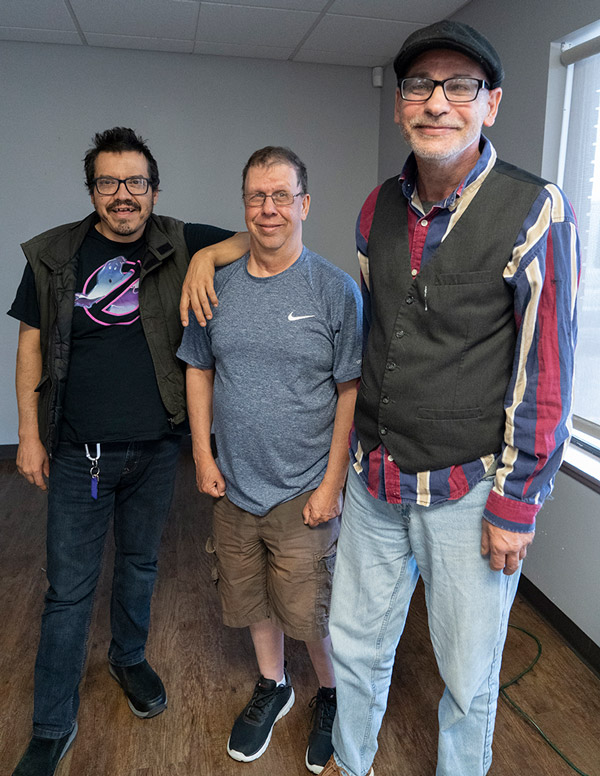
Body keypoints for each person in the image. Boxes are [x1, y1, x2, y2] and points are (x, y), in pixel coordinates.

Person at [319, 21, 580, 776]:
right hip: (376, 483)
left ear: (490, 104)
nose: (437, 102)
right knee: (355, 648)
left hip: (471, 494)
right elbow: (381, 339)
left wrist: (517, 503)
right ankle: (352, 763)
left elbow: (548, 373)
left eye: (459, 86)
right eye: (419, 87)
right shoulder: (376, 212)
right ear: (401, 105)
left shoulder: (535, 210)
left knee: (468, 680)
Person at [8, 126, 249, 776]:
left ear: (153, 188)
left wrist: (203, 258)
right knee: (68, 592)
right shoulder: (57, 253)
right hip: (76, 455)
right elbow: (31, 343)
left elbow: (261, 236)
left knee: (141, 566)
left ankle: (128, 658)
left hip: (153, 452)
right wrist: (27, 434)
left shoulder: (177, 238)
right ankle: (52, 724)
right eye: (109, 182)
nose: (124, 195)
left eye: (135, 182)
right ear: (93, 191)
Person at [177, 146, 362, 774]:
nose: (269, 208)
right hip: (232, 484)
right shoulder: (216, 286)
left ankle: (333, 697)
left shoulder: (334, 290)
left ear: (305, 204)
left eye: (282, 195)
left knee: (310, 606)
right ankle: (274, 685)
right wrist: (203, 456)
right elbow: (198, 370)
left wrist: (332, 484)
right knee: (250, 597)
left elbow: (350, 391)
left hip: (304, 486)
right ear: (244, 206)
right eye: (257, 196)